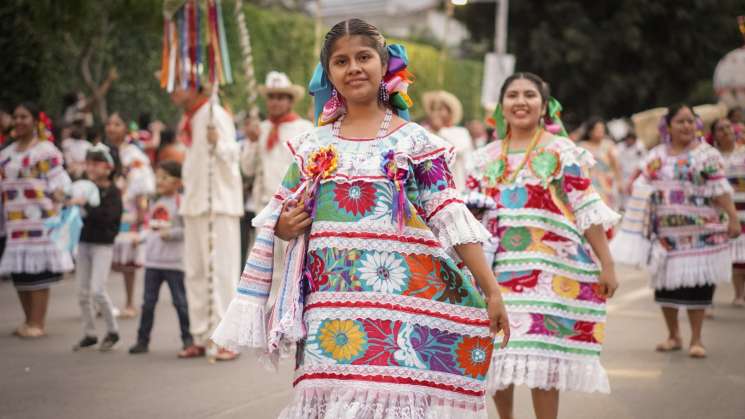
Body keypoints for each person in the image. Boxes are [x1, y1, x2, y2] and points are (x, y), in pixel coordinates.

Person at [212, 18, 510, 417]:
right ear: (329, 73)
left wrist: (490, 289)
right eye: (341, 61)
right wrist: (283, 226)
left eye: (363, 57)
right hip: (328, 306)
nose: (353, 67)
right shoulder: (312, 145)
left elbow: (448, 213)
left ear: (383, 63)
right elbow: (279, 214)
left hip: (401, 304)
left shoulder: (415, 141)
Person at [466, 73, 619, 419]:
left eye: (530, 95)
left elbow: (585, 207)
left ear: (545, 106)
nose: (521, 101)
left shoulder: (563, 152)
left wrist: (606, 263)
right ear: (501, 107)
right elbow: (468, 213)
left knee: (540, 355)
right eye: (513, 95)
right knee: (498, 353)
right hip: (496, 272)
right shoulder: (482, 158)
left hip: (551, 273)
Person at [611, 104, 740, 358]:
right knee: (666, 287)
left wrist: (733, 219)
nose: (686, 126)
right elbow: (640, 184)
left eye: (691, 122)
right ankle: (673, 335)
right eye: (680, 122)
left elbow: (721, 191)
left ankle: (696, 338)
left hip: (703, 234)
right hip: (666, 236)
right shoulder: (657, 156)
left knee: (698, 286)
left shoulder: (707, 155)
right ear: (667, 126)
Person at [169, 79, 243, 361]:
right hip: (195, 203)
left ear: (197, 87)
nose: (174, 91)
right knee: (196, 273)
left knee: (221, 273)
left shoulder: (215, 114)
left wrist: (219, 143)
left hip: (218, 204)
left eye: (180, 84)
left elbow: (234, 155)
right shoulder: (190, 118)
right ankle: (199, 335)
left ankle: (226, 339)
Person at [0, 102, 73, 338]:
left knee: (39, 274)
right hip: (14, 222)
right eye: (16, 117)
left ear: (35, 121)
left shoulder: (45, 151)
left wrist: (63, 201)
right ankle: (27, 320)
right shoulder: (6, 154)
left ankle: (38, 323)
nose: (19, 121)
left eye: (25, 117)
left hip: (40, 223)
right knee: (20, 273)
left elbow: (59, 183)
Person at [240, 71, 313, 280]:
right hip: (264, 208)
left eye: (281, 97)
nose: (275, 102)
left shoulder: (304, 129)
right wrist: (252, 142)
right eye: (271, 97)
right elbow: (247, 169)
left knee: (289, 270)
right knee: (265, 273)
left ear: (290, 101)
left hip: (293, 209)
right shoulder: (260, 130)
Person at [129, 160, 193, 355]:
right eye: (158, 177)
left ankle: (188, 339)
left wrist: (171, 233)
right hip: (153, 262)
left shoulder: (181, 203)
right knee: (148, 302)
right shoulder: (154, 201)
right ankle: (142, 340)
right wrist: (139, 239)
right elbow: (151, 227)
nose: (159, 181)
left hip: (174, 263)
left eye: (165, 177)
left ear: (177, 182)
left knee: (180, 302)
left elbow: (188, 230)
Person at [72, 145, 122, 351]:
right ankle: (90, 333)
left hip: (102, 245)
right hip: (84, 243)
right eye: (88, 163)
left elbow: (108, 218)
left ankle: (112, 330)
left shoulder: (112, 192)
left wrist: (86, 206)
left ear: (108, 167)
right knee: (82, 292)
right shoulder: (84, 187)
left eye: (96, 163)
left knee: (98, 290)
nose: (91, 168)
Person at [106, 112, 155, 318]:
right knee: (103, 256)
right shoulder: (102, 152)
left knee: (128, 261)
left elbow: (142, 186)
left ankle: (129, 302)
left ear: (126, 128)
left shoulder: (133, 154)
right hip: (105, 209)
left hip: (128, 210)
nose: (112, 128)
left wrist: (141, 213)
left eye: (117, 124)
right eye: (109, 124)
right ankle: (102, 301)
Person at [711, 117, 745, 306]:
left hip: (744, 210)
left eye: (728, 127)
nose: (725, 131)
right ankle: (732, 295)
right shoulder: (712, 157)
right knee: (727, 258)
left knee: (743, 260)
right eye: (720, 129)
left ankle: (740, 294)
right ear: (714, 135)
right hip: (722, 214)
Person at [423, 90, 474, 191]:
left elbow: (455, 150)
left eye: (441, 109)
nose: (436, 113)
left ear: (450, 111)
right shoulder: (426, 133)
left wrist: (439, 129)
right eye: (434, 109)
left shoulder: (461, 132)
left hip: (457, 188)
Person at [578, 117, 622, 211]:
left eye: (602, 129)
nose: (600, 132)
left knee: (608, 210)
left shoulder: (609, 145)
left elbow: (616, 164)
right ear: (590, 131)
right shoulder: (582, 146)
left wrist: (619, 181)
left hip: (607, 184)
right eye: (597, 129)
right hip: (589, 184)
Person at [616, 130, 646, 208]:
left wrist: (635, 175)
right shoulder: (620, 146)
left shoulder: (639, 146)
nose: (629, 141)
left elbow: (643, 161)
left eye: (631, 139)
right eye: (628, 139)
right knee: (622, 192)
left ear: (634, 140)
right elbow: (616, 160)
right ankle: (622, 208)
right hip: (623, 174)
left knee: (633, 192)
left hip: (635, 174)